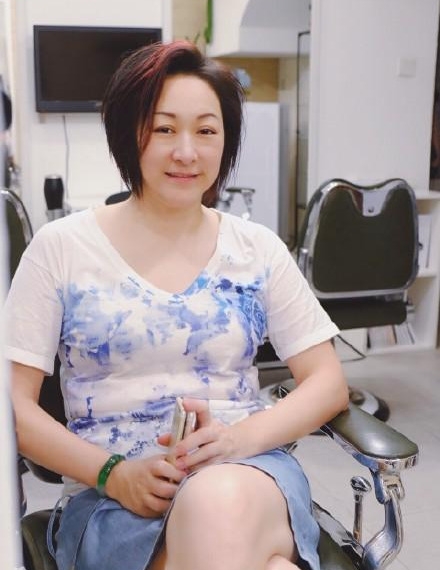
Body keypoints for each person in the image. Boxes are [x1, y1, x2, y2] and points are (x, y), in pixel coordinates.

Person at [5, 40, 349, 570]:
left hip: (247, 476)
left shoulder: (256, 249)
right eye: (164, 129)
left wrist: (236, 440)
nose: (186, 152)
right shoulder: (62, 249)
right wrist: (113, 473)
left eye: (206, 131)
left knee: (217, 501)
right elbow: (13, 406)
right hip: (112, 499)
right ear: (128, 133)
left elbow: (327, 381)